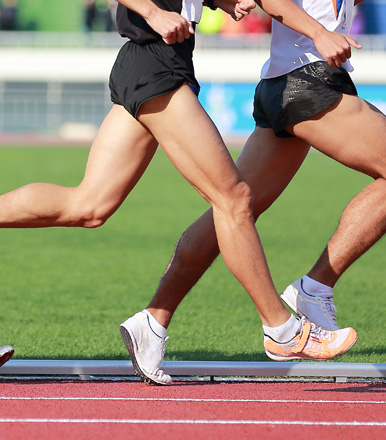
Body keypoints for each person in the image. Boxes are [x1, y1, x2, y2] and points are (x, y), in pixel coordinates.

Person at [0, 0, 359, 372]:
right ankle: (282, 330)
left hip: (151, 63)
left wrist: (220, 2)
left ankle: (151, 328)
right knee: (233, 199)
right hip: (154, 65)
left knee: (88, 206)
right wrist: (154, 13)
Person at [125, 0, 386, 385]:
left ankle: (153, 320)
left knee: (231, 212)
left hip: (286, 83)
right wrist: (320, 33)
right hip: (308, 81)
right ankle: (314, 288)